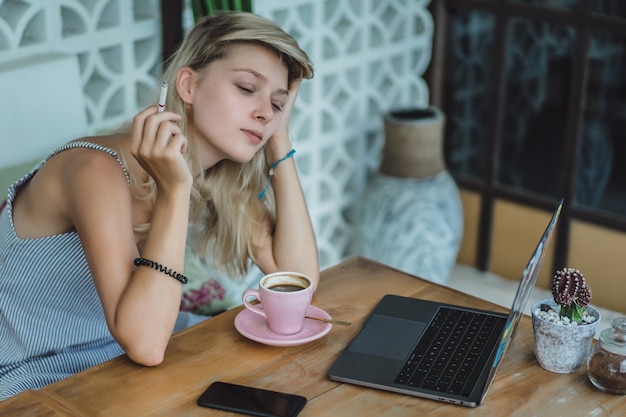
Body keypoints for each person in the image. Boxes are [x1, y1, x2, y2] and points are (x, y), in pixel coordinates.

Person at [0, 11, 318, 400]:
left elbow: (298, 281)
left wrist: (279, 140)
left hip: (119, 361)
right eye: (247, 87)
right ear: (188, 84)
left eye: (278, 102)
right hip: (28, 374)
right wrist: (175, 191)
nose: (265, 112)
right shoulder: (93, 169)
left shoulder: (217, 177)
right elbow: (146, 343)